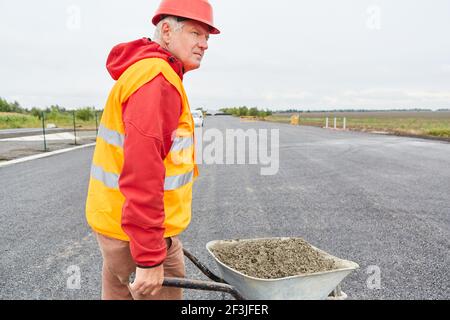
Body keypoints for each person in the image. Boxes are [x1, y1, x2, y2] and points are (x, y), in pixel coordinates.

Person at [85, 0, 220, 300]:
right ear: (168, 31)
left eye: (208, 37)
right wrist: (149, 259)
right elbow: (142, 173)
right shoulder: (156, 79)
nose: (205, 44)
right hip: (136, 239)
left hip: (118, 228)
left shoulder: (145, 70)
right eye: (196, 33)